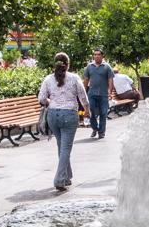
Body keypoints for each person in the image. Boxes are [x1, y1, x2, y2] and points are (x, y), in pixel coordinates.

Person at [39, 52, 89, 191]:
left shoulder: (48, 79)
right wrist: (87, 109)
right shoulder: (74, 78)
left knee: (61, 146)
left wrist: (51, 101)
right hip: (69, 115)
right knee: (66, 148)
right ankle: (59, 179)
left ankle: (67, 176)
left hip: (53, 115)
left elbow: (42, 98)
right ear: (68, 64)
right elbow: (83, 96)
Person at [84, 49, 114, 139]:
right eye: (95, 54)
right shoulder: (89, 67)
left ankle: (101, 132)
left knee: (103, 113)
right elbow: (86, 80)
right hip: (92, 94)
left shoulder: (107, 67)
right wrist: (83, 93)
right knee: (91, 112)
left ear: (102, 56)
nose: (96, 56)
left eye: (98, 54)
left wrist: (110, 92)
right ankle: (95, 128)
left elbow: (110, 80)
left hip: (103, 94)